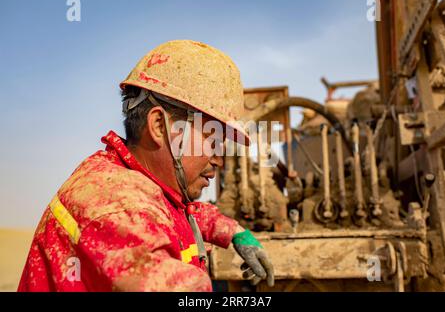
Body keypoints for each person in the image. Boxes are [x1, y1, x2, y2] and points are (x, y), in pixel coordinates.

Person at [18, 40, 274, 291]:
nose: (219, 159)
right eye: (212, 139)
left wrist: (234, 232)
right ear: (160, 127)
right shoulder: (116, 206)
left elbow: (188, 212)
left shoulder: (144, 185)